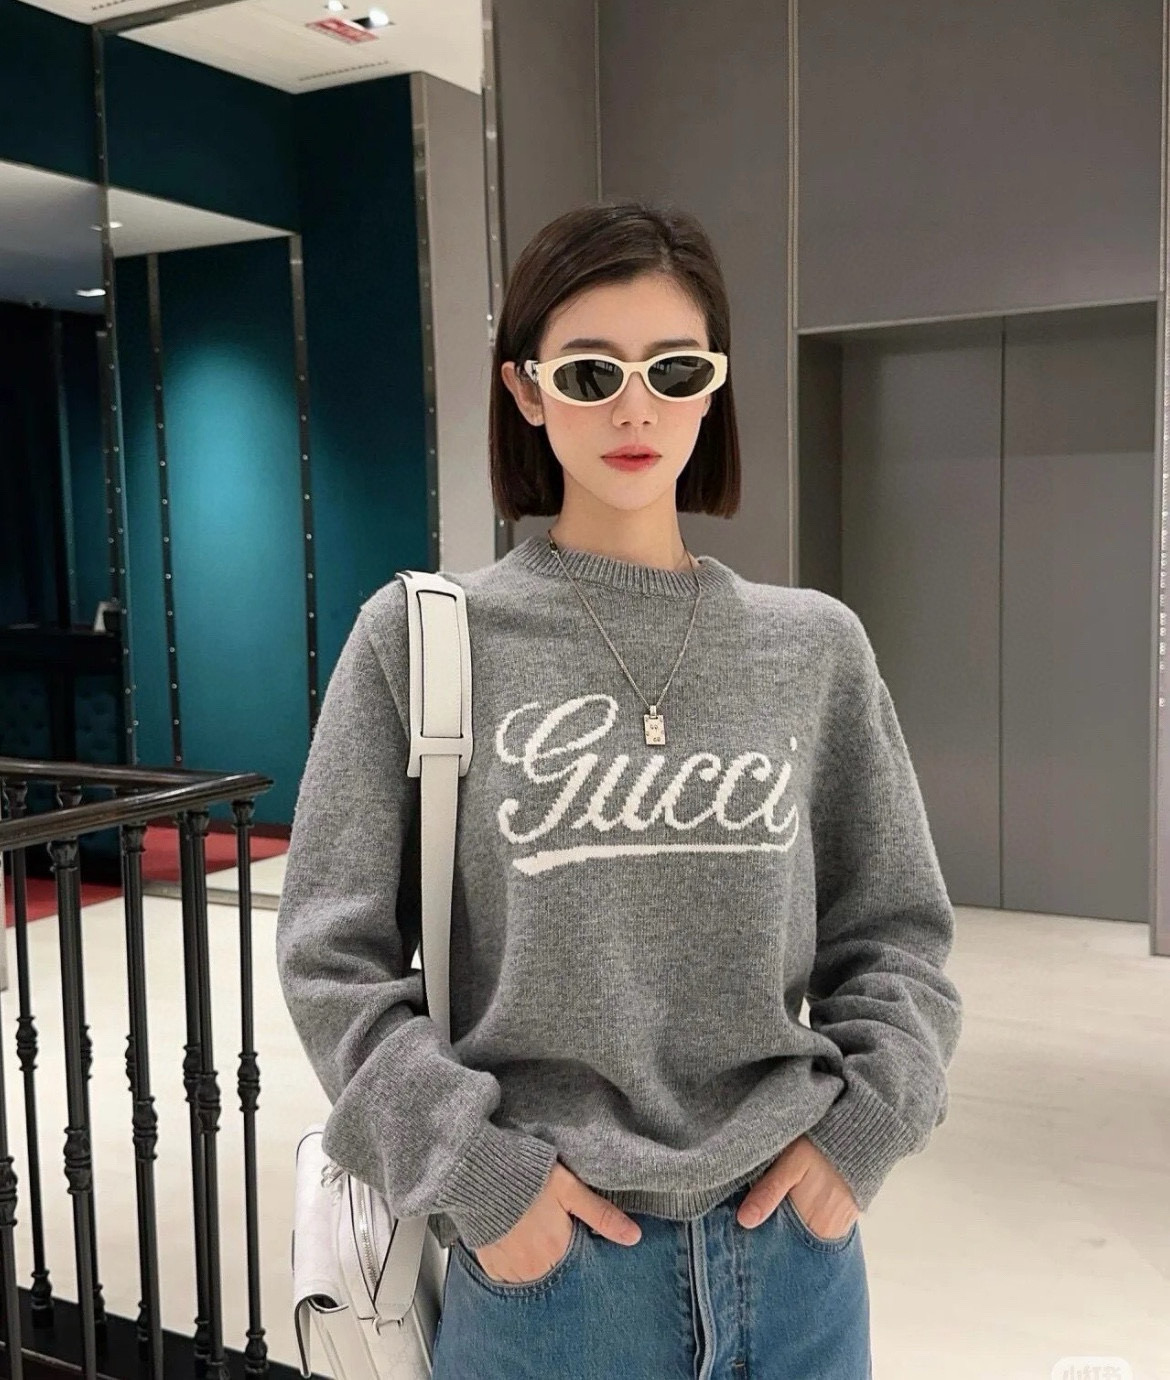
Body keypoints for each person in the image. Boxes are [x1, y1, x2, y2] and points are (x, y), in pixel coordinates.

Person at [275, 198, 963, 1379]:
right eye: (591, 372)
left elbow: (895, 931)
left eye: (674, 369)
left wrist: (864, 1131)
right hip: (550, 1283)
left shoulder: (814, 648)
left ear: (714, 387)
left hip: (795, 1263)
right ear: (527, 390)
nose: (635, 408)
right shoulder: (423, 639)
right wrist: (482, 1179)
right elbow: (329, 956)